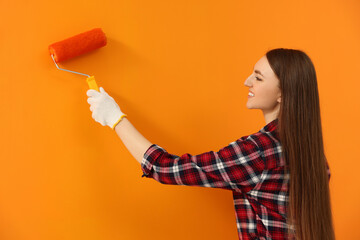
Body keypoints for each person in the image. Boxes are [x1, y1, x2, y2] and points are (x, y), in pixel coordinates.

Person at [86, 48, 335, 240]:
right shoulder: (313, 154)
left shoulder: (259, 152)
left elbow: (164, 168)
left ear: (283, 93)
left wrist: (115, 118)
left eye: (258, 78)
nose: (247, 82)